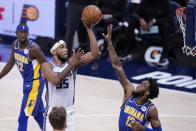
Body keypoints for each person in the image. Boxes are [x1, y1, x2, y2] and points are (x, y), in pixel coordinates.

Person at [102, 25, 162, 131]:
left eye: (142, 85)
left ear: (147, 92)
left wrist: (144, 129)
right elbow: (117, 66)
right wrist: (110, 43)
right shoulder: (129, 91)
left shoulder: (151, 109)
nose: (138, 85)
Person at [42, 21, 99, 131]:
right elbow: (56, 80)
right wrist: (72, 64)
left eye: (66, 47)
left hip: (69, 113)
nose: (66, 49)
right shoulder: (46, 66)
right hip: (52, 114)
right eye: (62, 47)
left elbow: (94, 53)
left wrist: (89, 29)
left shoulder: (72, 62)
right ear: (54, 51)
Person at [0, 24, 47, 130]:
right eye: (20, 32)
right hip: (26, 83)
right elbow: (10, 64)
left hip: (35, 85)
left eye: (24, 32)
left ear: (28, 33)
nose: (22, 34)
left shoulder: (33, 48)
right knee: (38, 114)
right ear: (16, 33)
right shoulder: (14, 45)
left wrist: (51, 80)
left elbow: (46, 64)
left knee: (23, 117)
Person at [122, 0, 175, 65]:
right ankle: (127, 51)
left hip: (159, 28)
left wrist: (154, 21)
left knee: (165, 25)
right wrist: (140, 19)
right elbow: (134, 13)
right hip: (147, 28)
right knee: (132, 21)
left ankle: (164, 56)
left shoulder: (165, 2)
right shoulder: (145, 1)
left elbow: (170, 19)